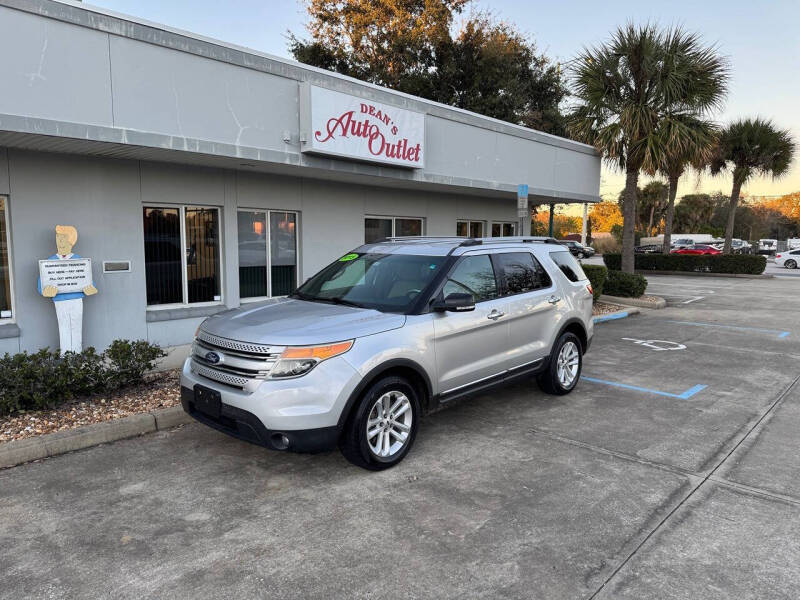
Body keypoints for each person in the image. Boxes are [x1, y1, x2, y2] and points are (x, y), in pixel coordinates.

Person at [38, 225, 97, 353]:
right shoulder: (50, 262)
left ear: (71, 242)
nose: (60, 242)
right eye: (58, 238)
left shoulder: (78, 260)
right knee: (63, 327)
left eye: (64, 239)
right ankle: (66, 357)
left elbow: (86, 279)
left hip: (76, 300)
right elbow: (42, 282)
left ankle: (77, 354)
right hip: (60, 301)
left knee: (76, 326)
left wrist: (91, 288)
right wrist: (44, 290)